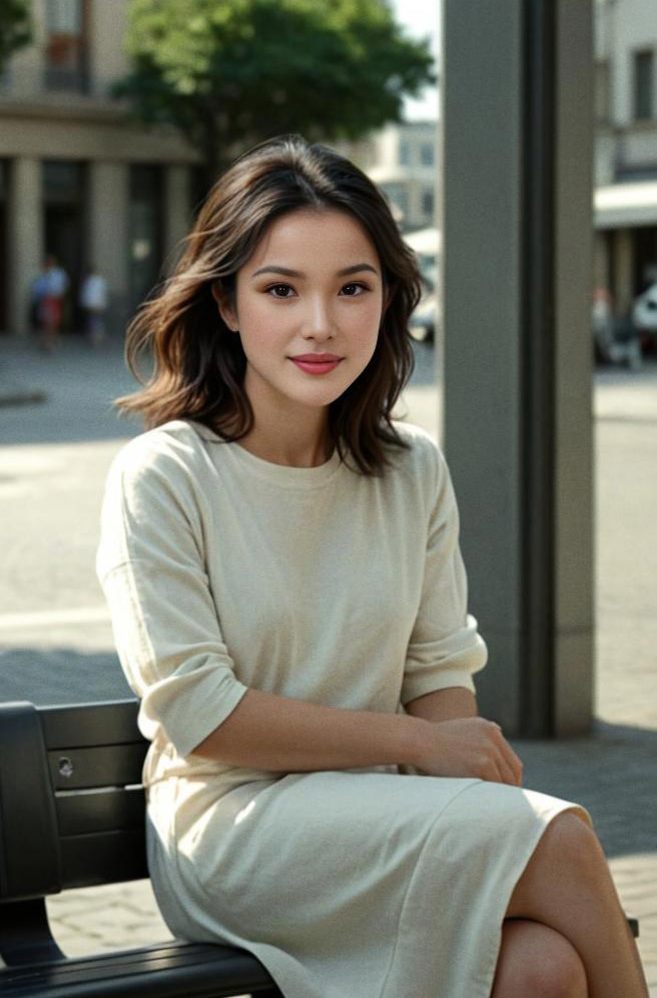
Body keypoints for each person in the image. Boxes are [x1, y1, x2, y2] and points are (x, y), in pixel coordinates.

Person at [96, 136, 648, 998]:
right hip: (233, 829)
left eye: (352, 288)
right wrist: (418, 745)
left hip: (385, 815)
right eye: (281, 289)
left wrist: (453, 773)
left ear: (386, 301)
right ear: (230, 305)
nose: (320, 324)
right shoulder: (166, 474)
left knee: (542, 967)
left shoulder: (409, 468)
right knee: (558, 838)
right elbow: (202, 715)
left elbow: (436, 666)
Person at [39, 253, 69, 352]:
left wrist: (60, 295)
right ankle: (47, 342)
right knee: (47, 322)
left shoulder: (59, 273)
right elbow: (39, 288)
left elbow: (63, 285)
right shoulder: (44, 274)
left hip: (55, 299)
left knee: (54, 322)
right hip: (46, 300)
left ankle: (52, 341)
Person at [79, 264, 109, 346]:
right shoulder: (99, 281)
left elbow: (87, 294)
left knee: (93, 322)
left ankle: (96, 338)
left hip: (93, 305)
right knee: (96, 321)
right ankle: (97, 337)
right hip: (98, 304)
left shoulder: (89, 282)